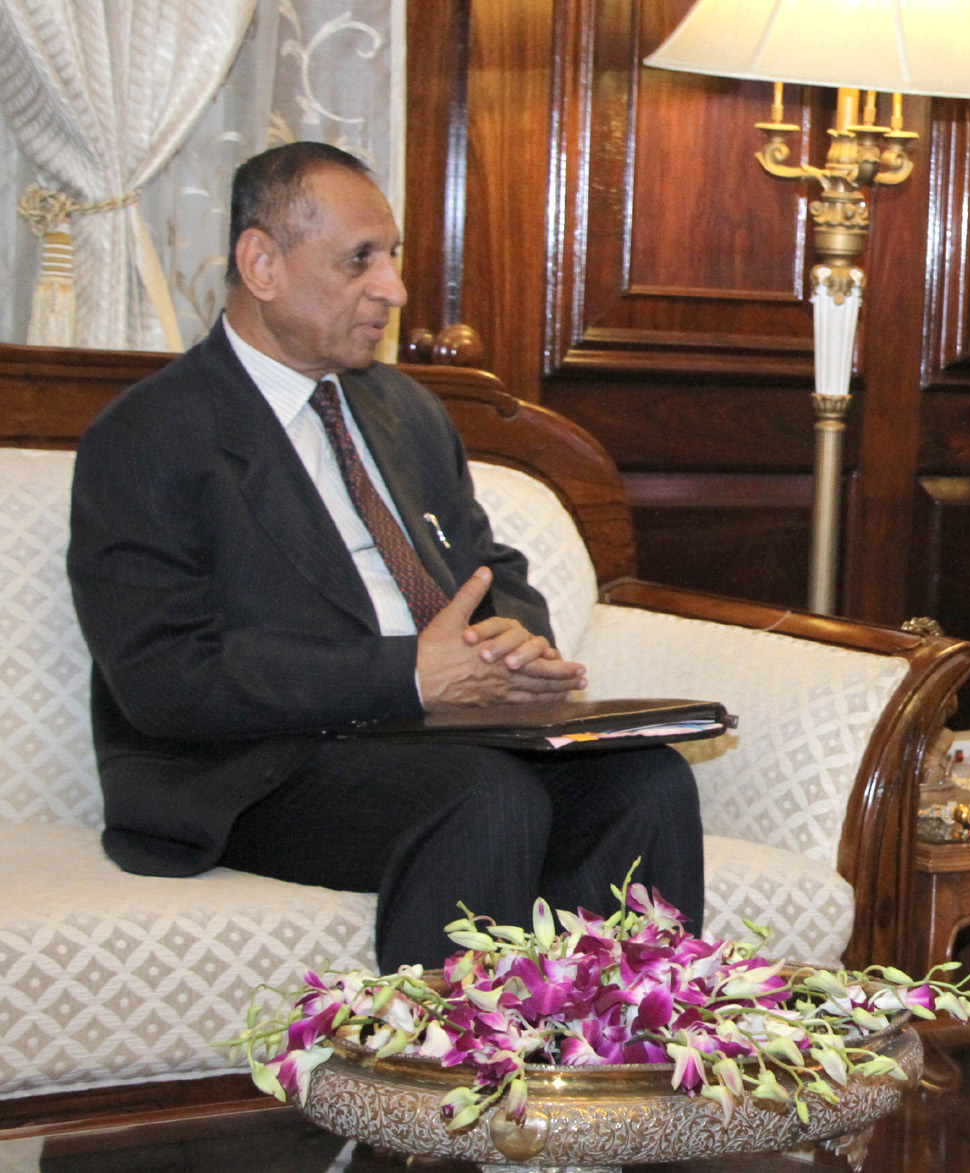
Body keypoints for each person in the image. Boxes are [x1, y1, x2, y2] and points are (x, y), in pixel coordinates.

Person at [68, 142, 705, 972]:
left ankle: (620, 1065)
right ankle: (446, 1085)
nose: (394, 290)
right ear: (260, 262)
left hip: (430, 739)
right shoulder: (151, 434)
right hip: (256, 768)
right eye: (359, 260)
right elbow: (162, 678)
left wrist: (508, 640)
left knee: (647, 780)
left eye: (394, 256)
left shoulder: (403, 406)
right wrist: (408, 672)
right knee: (486, 798)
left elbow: (490, 568)